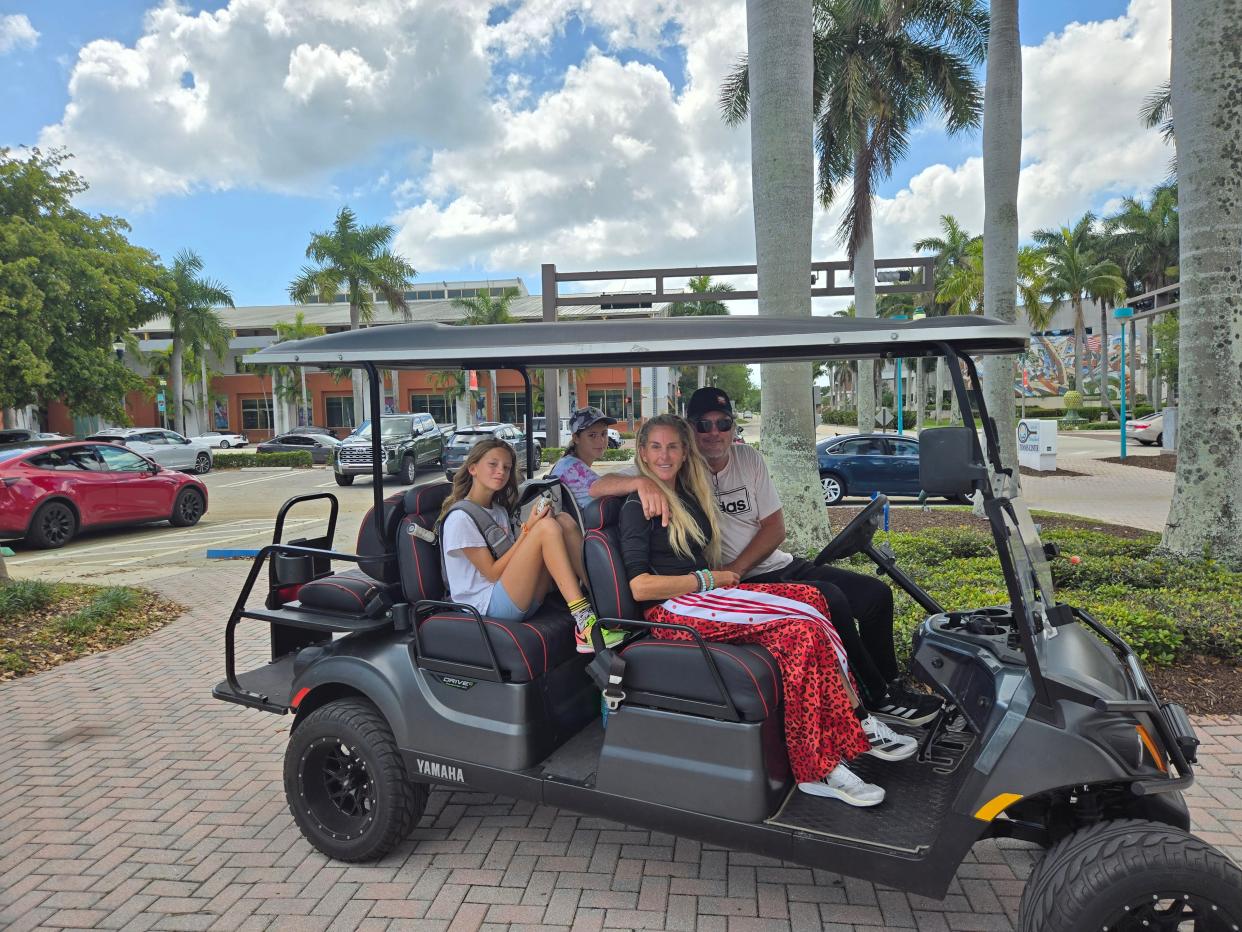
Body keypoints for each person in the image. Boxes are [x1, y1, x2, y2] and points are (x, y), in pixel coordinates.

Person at [618, 415, 917, 806]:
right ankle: (817, 768)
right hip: (673, 609)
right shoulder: (637, 504)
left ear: (684, 451)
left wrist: (715, 581)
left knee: (815, 601)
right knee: (801, 632)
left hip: (704, 598)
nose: (664, 455)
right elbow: (640, 588)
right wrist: (711, 580)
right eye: (655, 447)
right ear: (641, 453)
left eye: (672, 446)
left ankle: (857, 720)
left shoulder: (686, 494)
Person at [593, 388, 940, 725]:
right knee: (828, 599)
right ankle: (872, 698)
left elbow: (775, 529)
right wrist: (641, 484)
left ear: (732, 426)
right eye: (703, 424)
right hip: (733, 585)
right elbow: (594, 486)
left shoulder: (746, 459)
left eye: (723, 423)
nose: (714, 432)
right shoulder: (675, 466)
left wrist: (734, 569)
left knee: (875, 595)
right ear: (690, 432)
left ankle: (890, 687)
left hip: (770, 566)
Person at [439, 438, 623, 653]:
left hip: (516, 596)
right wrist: (529, 531)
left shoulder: (497, 510)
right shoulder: (460, 518)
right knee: (546, 528)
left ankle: (603, 602)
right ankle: (584, 624)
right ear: (473, 468)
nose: (501, 471)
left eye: (506, 467)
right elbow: (492, 574)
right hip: (487, 606)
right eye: (493, 464)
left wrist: (535, 528)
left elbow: (512, 559)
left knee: (561, 520)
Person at [549, 406, 618, 510]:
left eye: (604, 433)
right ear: (576, 438)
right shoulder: (572, 469)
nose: (601, 440)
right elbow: (609, 490)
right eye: (592, 435)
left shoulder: (568, 462)